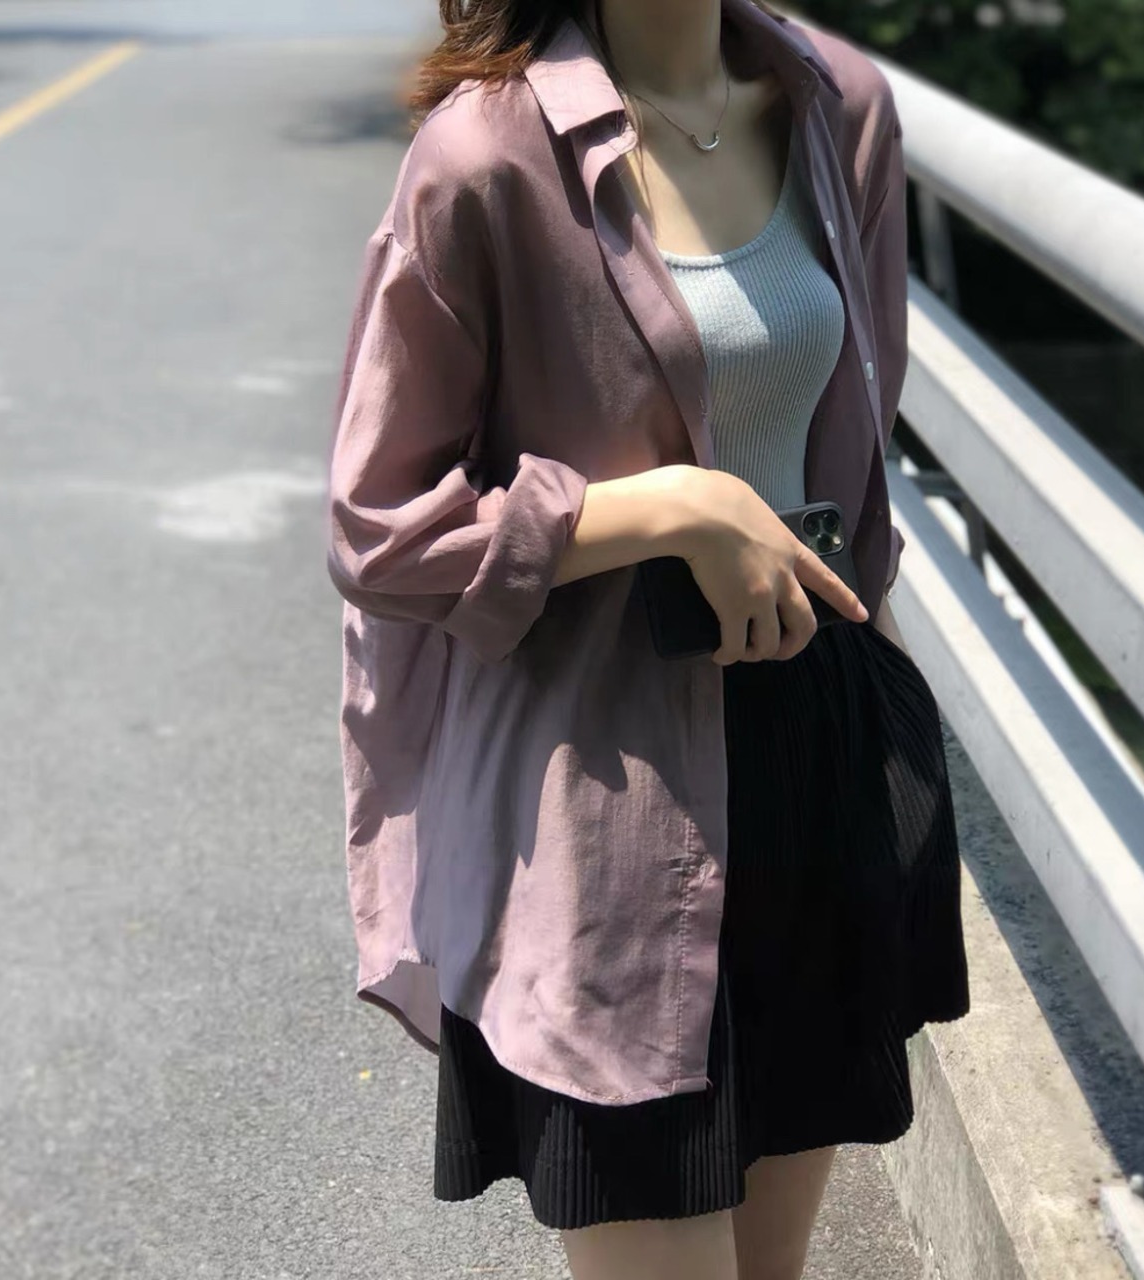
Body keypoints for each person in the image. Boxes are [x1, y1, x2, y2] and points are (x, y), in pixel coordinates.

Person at [324, 0, 971, 1274]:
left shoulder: (837, 105)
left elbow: (857, 460)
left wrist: (897, 741)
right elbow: (378, 528)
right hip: (606, 803)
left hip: (818, 752)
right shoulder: (486, 157)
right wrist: (664, 507)